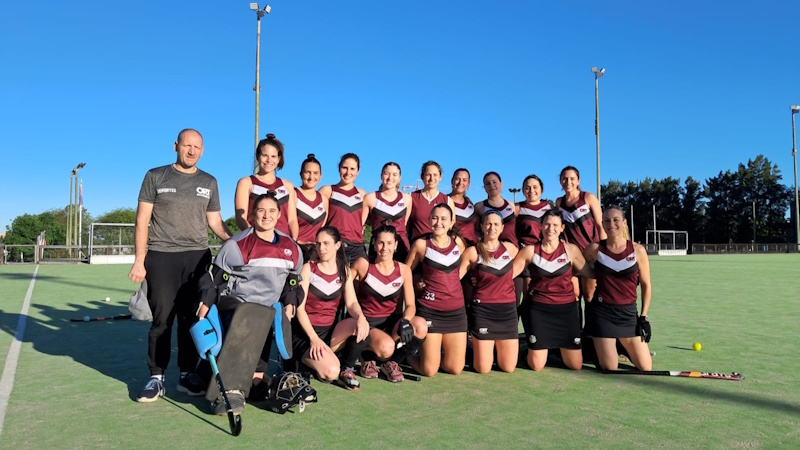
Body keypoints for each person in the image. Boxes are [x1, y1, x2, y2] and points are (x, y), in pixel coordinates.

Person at [128, 128, 231, 403]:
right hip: (161, 256)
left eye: (197, 147)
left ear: (203, 150)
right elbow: (142, 221)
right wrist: (140, 261)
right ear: (176, 145)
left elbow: (215, 222)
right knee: (162, 319)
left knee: (193, 318)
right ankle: (157, 377)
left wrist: (238, 241)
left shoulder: (209, 181)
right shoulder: (155, 176)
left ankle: (187, 374)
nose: (191, 151)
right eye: (187, 145)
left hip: (198, 258)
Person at [195, 192, 303, 415]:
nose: (266, 215)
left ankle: (256, 378)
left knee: (266, 316)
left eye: (272, 211)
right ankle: (229, 389)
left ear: (279, 214)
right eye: (261, 210)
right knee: (249, 316)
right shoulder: (237, 245)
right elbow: (215, 278)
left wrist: (290, 303)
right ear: (253, 214)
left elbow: (292, 283)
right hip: (235, 303)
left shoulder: (292, 248)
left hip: (266, 308)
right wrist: (205, 302)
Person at [514, 209, 593, 372]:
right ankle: (527, 350)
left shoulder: (571, 250)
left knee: (575, 365)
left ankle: (554, 348)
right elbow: (508, 275)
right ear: (541, 226)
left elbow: (591, 273)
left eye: (555, 225)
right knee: (536, 365)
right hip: (538, 310)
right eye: (547, 224)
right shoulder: (530, 251)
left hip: (566, 311)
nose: (551, 228)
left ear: (562, 228)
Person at [293, 226, 369, 390]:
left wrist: (361, 317)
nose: (321, 248)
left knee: (361, 326)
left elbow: (352, 304)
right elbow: (300, 309)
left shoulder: (345, 272)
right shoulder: (308, 268)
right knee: (331, 371)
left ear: (337, 245)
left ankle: (346, 370)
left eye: (326, 243)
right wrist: (313, 338)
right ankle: (305, 364)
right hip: (306, 335)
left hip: (329, 334)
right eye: (318, 244)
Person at [354, 224, 428, 382]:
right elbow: (345, 288)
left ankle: (391, 363)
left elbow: (410, 305)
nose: (384, 247)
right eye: (380, 243)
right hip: (369, 325)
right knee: (386, 347)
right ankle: (366, 356)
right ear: (374, 244)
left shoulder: (403, 270)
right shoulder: (363, 265)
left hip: (392, 324)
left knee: (420, 325)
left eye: (389, 243)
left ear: (395, 246)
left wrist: (406, 321)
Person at [583, 206, 652, 371]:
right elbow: (582, 269)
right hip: (603, 314)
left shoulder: (637, 250)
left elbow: (646, 285)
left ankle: (620, 344)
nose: (611, 224)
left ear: (624, 223)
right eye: (606, 220)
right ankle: (593, 342)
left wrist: (643, 317)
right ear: (602, 224)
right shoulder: (594, 249)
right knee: (609, 367)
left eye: (616, 220)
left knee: (646, 367)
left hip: (628, 315)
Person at [405, 203, 468, 377]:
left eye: (443, 219)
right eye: (434, 218)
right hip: (431, 311)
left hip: (456, 312)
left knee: (455, 369)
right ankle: (407, 355)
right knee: (429, 371)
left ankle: (433, 355)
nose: (438, 222)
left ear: (451, 222)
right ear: (429, 220)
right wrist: (417, 280)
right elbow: (404, 273)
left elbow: (462, 269)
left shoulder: (459, 243)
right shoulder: (421, 245)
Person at [460, 211, 522, 373]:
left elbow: (527, 264)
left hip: (507, 312)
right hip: (483, 311)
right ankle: (468, 350)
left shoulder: (511, 249)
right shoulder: (473, 252)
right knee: (483, 368)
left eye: (496, 224)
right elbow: (455, 278)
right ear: (481, 226)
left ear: (502, 228)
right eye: (488, 223)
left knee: (508, 368)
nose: (491, 228)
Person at [555, 165, 606, 304]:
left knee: (589, 296)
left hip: (590, 255)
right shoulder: (559, 202)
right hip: (572, 256)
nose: (568, 182)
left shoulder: (588, 197)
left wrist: (604, 251)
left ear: (578, 181)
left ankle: (590, 326)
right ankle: (575, 327)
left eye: (572, 178)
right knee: (574, 295)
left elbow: (601, 225)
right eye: (564, 179)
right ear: (560, 181)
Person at [234, 133, 299, 239]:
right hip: (256, 243)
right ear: (258, 156)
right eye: (265, 156)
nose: (269, 160)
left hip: (284, 244)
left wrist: (293, 242)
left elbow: (292, 220)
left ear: (278, 159)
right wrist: (257, 238)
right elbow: (241, 218)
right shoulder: (246, 182)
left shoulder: (287, 185)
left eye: (273, 156)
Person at [319, 153, 368, 273]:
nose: (348, 172)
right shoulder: (328, 190)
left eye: (352, 169)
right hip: (335, 246)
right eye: (344, 168)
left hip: (357, 247)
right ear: (339, 168)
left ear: (358, 171)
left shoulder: (362, 194)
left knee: (363, 282)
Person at [363, 162, 413, 262]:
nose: (390, 177)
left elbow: (405, 225)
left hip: (401, 248)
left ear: (399, 178)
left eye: (394, 174)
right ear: (381, 175)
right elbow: (360, 225)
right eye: (386, 173)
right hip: (379, 248)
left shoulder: (407, 199)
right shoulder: (370, 198)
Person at [408, 161, 456, 243]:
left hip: (439, 248)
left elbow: (451, 225)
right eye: (428, 175)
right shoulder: (411, 197)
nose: (432, 178)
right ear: (422, 176)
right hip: (416, 247)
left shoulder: (447, 200)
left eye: (435, 175)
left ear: (440, 177)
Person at [295, 154, 327, 262]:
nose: (311, 177)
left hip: (316, 253)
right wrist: (298, 243)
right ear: (301, 174)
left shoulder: (324, 199)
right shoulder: (293, 194)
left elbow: (322, 228)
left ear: (321, 176)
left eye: (315, 173)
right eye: (307, 172)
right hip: (296, 250)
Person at [474, 172, 518, 247]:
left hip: (512, 250)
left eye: (494, 182)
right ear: (484, 187)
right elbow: (476, 231)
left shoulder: (511, 206)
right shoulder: (480, 207)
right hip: (490, 251)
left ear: (501, 184)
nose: (491, 185)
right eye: (487, 183)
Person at [449, 168, 478, 247]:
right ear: (452, 181)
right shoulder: (445, 201)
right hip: (456, 249)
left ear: (468, 184)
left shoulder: (469, 202)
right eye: (457, 179)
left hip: (474, 249)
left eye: (464, 180)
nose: (460, 183)